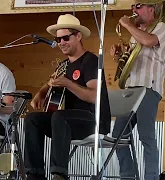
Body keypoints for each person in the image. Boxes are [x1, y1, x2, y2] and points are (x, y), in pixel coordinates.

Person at [24, 14, 111, 180]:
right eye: (58, 40)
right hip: (66, 123)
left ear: (78, 36)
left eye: (65, 38)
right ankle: (34, 174)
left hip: (93, 120)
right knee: (32, 119)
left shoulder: (91, 61)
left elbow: (94, 96)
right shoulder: (63, 65)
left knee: (59, 116)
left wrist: (68, 83)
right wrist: (41, 93)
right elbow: (51, 82)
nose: (61, 43)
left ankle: (59, 174)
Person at [110, 0, 165, 179]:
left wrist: (127, 24)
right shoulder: (135, 35)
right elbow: (130, 64)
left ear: (151, 9)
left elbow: (149, 41)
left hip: (148, 88)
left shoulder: (160, 27)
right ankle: (128, 176)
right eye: (132, 7)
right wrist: (120, 57)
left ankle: (151, 177)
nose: (133, 10)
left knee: (146, 137)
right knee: (117, 136)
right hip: (130, 89)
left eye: (138, 6)